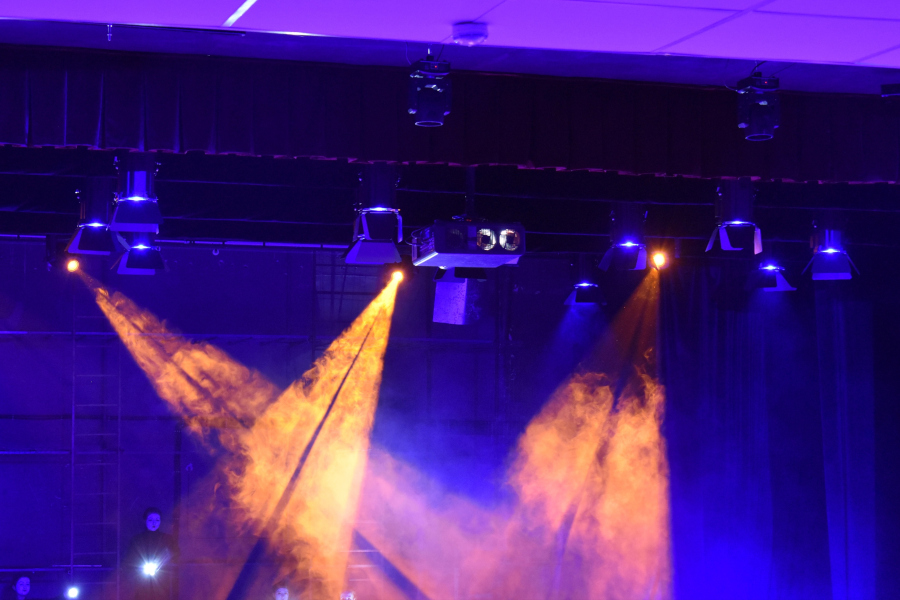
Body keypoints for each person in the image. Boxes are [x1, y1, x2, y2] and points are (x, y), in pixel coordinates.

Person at [124, 507, 180, 600]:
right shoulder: (137, 540)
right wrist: (139, 567)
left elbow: (175, 554)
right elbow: (129, 560)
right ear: (145, 520)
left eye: (157, 520)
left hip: (162, 582)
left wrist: (164, 562)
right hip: (142, 582)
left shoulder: (167, 539)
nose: (154, 523)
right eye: (150, 520)